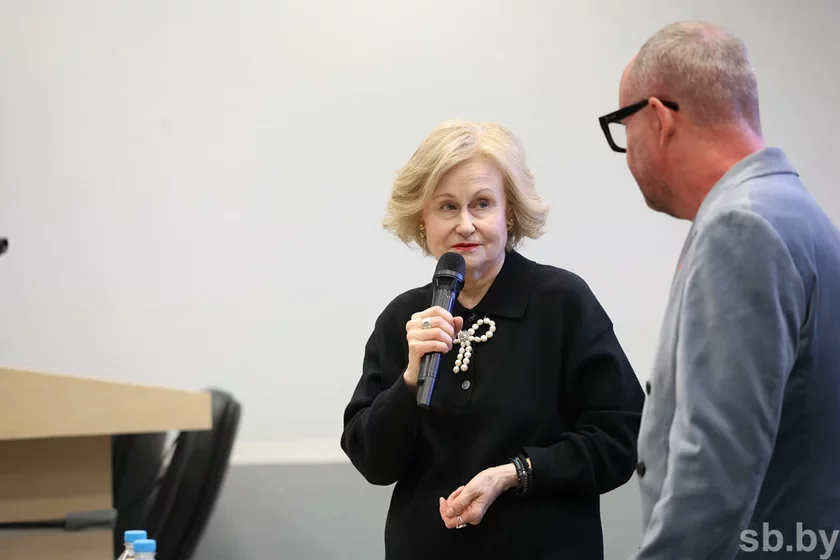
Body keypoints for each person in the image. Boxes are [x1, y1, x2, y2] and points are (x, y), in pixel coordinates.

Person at [340, 119, 646, 559]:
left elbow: (619, 438)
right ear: (423, 219)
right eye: (447, 207)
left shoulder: (562, 303)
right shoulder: (401, 320)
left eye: (482, 204)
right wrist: (408, 380)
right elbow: (373, 462)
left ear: (510, 212)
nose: (465, 224)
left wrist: (516, 472)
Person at [598, 21, 840, 559]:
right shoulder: (796, 214)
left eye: (623, 128)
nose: (628, 151)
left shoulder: (741, 228)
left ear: (659, 119)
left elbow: (713, 471)